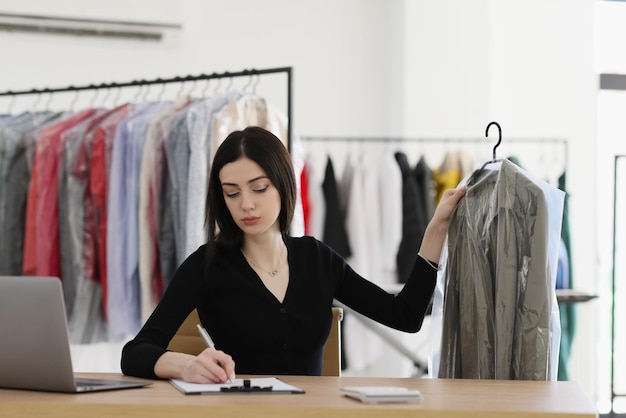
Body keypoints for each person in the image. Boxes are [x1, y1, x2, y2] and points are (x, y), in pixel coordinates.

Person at [121, 126, 466, 384]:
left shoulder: (317, 259)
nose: (247, 204)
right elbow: (135, 353)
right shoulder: (207, 265)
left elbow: (405, 316)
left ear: (284, 184)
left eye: (259, 188)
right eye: (232, 193)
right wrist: (187, 365)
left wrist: (436, 229)